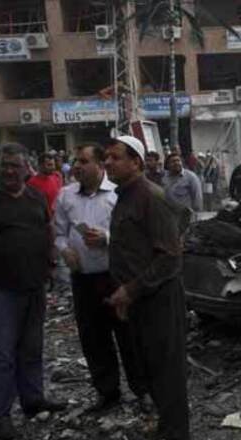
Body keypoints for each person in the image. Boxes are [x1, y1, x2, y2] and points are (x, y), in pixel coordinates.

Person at [103, 136, 191, 440]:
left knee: (167, 373)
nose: (108, 162)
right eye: (106, 157)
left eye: (115, 157)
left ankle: (176, 433)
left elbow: (170, 257)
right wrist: (127, 294)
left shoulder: (151, 197)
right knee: (149, 368)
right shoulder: (126, 196)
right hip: (140, 298)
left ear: (136, 162)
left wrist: (131, 290)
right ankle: (166, 426)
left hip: (159, 298)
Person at [0, 143, 67, 439]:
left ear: (26, 168)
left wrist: (50, 265)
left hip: (34, 286)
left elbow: (47, 230)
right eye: (4, 165)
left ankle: (32, 399)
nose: (9, 171)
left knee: (32, 348)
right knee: (0, 355)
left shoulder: (35, 197)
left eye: (15, 165)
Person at [54, 143, 151, 416]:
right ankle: (107, 392)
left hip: (115, 277)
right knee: (93, 338)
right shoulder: (65, 196)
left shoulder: (118, 194)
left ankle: (143, 390)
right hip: (83, 279)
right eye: (76, 161)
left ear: (99, 165)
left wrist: (106, 238)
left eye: (84, 161)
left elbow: (133, 234)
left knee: (128, 335)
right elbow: (58, 233)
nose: (77, 166)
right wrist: (65, 250)